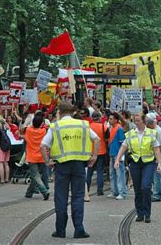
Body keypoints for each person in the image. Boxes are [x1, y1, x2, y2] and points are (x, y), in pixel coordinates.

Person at [40, 102, 100, 238]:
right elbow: (96, 139)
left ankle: (60, 230)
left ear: (59, 112)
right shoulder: (83, 124)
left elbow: (43, 145)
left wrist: (47, 161)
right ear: (73, 112)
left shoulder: (55, 126)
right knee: (78, 197)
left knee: (61, 198)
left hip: (61, 165)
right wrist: (94, 157)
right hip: (79, 165)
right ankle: (79, 229)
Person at [115, 114, 161, 223]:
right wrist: (117, 159)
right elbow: (124, 147)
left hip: (148, 162)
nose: (137, 123)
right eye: (135, 121)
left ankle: (147, 213)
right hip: (135, 162)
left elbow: (156, 149)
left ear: (144, 121)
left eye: (138, 121)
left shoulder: (152, 133)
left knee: (145, 186)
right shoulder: (130, 134)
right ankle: (140, 213)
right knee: (137, 189)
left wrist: (159, 163)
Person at [24, 115, 49, 200]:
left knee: (35, 176)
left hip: (32, 157)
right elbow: (46, 127)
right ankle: (29, 193)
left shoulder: (28, 130)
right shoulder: (43, 131)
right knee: (37, 176)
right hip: (42, 156)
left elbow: (25, 127)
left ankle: (44, 192)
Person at [145, 112, 161, 202]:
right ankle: (158, 191)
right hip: (156, 157)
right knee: (156, 176)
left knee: (157, 176)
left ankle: (157, 194)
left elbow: (160, 147)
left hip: (159, 157)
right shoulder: (153, 130)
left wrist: (156, 158)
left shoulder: (158, 131)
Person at [86, 112, 108, 196]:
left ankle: (86, 189)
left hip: (90, 152)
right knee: (100, 171)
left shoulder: (88, 127)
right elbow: (107, 139)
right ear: (99, 118)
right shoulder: (104, 127)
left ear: (92, 118)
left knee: (89, 172)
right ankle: (100, 190)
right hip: (101, 151)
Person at [107, 112, 127, 200]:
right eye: (109, 119)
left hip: (117, 154)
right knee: (113, 173)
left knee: (119, 174)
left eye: (111, 119)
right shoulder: (113, 128)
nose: (109, 120)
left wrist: (121, 156)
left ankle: (122, 192)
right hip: (113, 153)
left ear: (116, 120)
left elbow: (122, 143)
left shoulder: (119, 129)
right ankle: (115, 191)